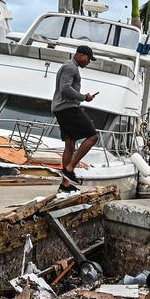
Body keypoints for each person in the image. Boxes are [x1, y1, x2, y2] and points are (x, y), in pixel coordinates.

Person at [52, 45, 99, 192]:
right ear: (81, 55)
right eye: (88, 59)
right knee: (93, 136)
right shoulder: (71, 67)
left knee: (70, 145)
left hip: (60, 108)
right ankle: (70, 168)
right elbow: (65, 89)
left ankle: (65, 185)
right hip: (68, 108)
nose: (88, 62)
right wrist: (84, 97)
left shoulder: (68, 66)